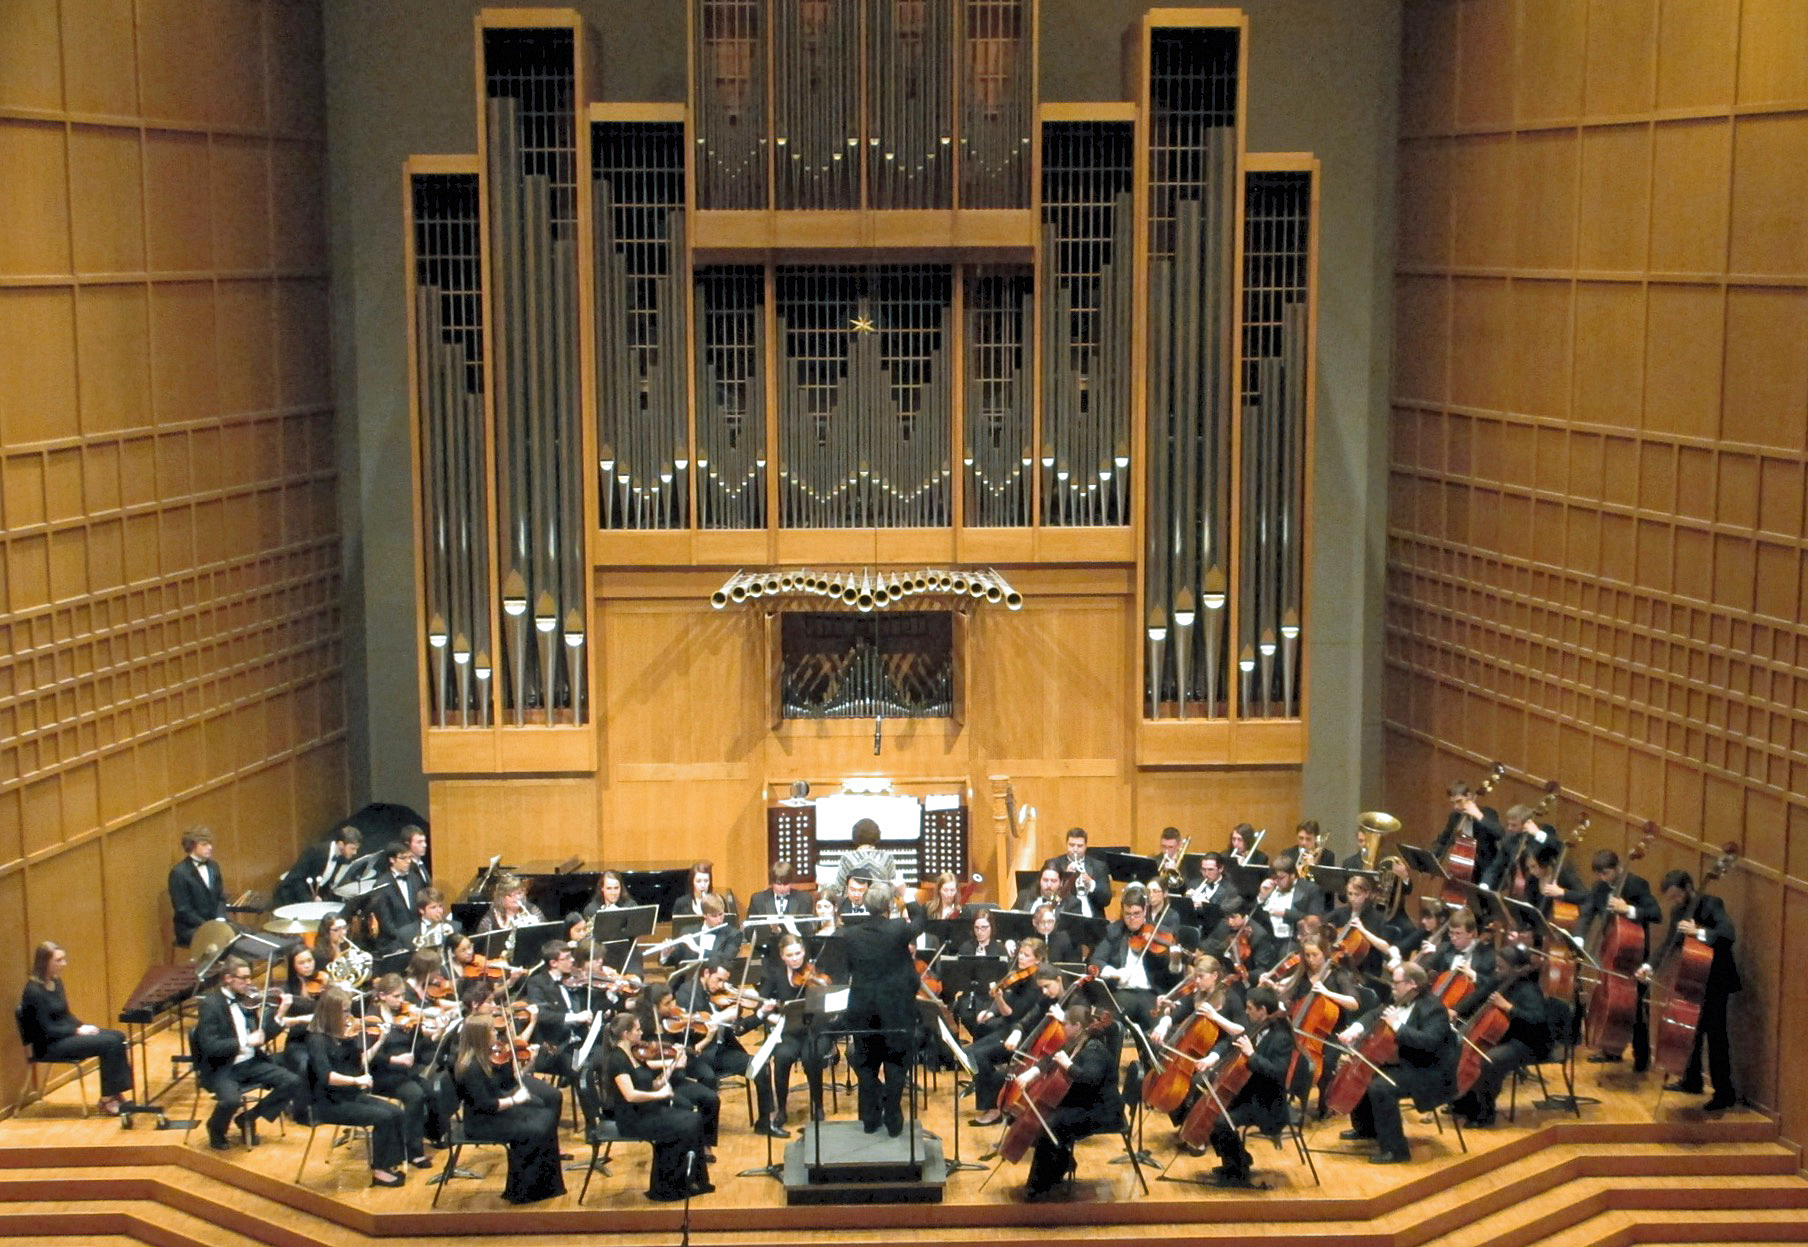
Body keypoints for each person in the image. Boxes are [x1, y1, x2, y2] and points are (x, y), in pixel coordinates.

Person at [1337, 962, 1457, 1164]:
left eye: (1395, 983)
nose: (1391, 987)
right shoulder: (1400, 999)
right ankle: (1367, 1128)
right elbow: (1375, 1014)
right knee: (1364, 1069)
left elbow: (1428, 1043)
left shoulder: (1434, 1009)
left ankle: (1396, 1150)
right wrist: (1355, 1029)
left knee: (1381, 1087)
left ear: (1411, 984)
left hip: (1427, 1070)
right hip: (1404, 1061)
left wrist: (1397, 1026)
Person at [1639, 869, 1739, 1111]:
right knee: (1690, 1030)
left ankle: (1724, 1093)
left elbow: (1728, 934)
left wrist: (1699, 933)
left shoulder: (1711, 904)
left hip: (1716, 981)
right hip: (1692, 978)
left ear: (1688, 888)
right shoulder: (1678, 912)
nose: (1674, 902)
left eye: (1676, 896)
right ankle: (1691, 1080)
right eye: (1670, 898)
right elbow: (1669, 943)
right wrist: (1649, 966)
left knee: (1715, 1037)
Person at [303, 986, 412, 1186]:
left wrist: (380, 1040)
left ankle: (389, 1164)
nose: (349, 1015)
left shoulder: (345, 1035)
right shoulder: (316, 1040)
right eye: (344, 1011)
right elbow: (327, 1076)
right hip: (328, 1103)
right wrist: (356, 1081)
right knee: (385, 1117)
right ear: (331, 1013)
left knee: (396, 1112)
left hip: (349, 1096)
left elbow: (361, 1062)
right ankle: (379, 1171)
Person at [452, 1013, 566, 1204]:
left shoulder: (487, 1057)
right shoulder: (470, 1068)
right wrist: (515, 1100)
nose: (496, 1032)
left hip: (495, 1113)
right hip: (481, 1123)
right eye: (492, 1030)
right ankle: (523, 1192)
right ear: (481, 1036)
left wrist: (528, 1062)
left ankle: (546, 1186)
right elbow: (485, 1105)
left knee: (545, 1116)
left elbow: (507, 1082)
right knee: (535, 1129)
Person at [191, 956, 302, 1149]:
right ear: (228, 978)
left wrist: (280, 1014)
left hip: (250, 1062)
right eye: (243, 978)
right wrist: (244, 1041)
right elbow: (210, 1046)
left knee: (292, 1081)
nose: (249, 982)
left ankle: (248, 1118)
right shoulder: (211, 1004)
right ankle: (216, 1129)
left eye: (249, 977)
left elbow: (262, 1037)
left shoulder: (247, 1000)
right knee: (230, 1101)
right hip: (223, 1067)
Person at [842, 882, 925, 1135]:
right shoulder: (898, 928)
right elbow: (921, 921)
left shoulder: (850, 934)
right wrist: (906, 894)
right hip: (895, 1010)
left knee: (866, 1064)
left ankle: (869, 1120)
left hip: (862, 1009)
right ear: (889, 906)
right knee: (895, 1063)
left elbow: (848, 968)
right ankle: (893, 1117)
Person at [603, 1012, 712, 1201]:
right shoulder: (617, 1059)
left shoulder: (635, 1054)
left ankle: (690, 1180)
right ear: (626, 1034)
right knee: (686, 1124)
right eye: (638, 1029)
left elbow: (651, 1084)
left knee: (694, 1119)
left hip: (647, 1111)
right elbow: (630, 1095)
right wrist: (659, 1095)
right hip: (633, 1119)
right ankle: (667, 1188)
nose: (642, 1032)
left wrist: (672, 1066)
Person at [1020, 1002, 1123, 1201]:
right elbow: (1052, 1057)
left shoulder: (1095, 1050)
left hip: (1101, 1110)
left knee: (1052, 1124)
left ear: (1077, 1026)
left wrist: (1068, 1066)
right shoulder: (1077, 1041)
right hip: (1083, 1101)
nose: (1063, 1027)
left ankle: (1041, 1186)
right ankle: (1057, 1167)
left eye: (1066, 1024)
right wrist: (1034, 1071)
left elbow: (1089, 1080)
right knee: (1045, 1119)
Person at [19, 941, 134, 1115]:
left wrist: (81, 1026)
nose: (63, 964)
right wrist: (76, 1031)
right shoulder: (33, 991)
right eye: (59, 960)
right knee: (109, 1044)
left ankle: (114, 1093)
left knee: (118, 1036)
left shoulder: (56, 983)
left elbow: (65, 1014)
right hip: (49, 1045)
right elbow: (45, 1029)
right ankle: (107, 1100)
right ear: (45, 962)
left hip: (65, 1036)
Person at [1200, 984, 1294, 1186]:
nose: (1246, 1011)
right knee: (1210, 1110)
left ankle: (1239, 1171)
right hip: (1248, 1093)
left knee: (1221, 1122)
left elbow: (1277, 1073)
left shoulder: (1281, 1037)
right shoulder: (1256, 1025)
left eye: (1250, 1008)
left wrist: (1252, 1055)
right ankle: (1235, 1161)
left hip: (1267, 1103)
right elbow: (1230, 1042)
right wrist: (1212, 1058)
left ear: (1262, 1011)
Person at [1449, 943, 1549, 1127]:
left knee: (1489, 1060)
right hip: (1505, 1036)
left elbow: (1538, 1021)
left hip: (1528, 1042)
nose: (1496, 970)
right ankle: (1464, 1102)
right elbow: (1479, 995)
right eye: (1496, 966)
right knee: (1459, 1046)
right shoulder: (1500, 980)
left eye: (1501, 967)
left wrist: (1509, 1008)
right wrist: (1455, 1010)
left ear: (1517, 969)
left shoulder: (1529, 990)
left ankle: (1486, 1113)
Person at [1580, 848, 1660, 1071]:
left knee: (1637, 1007)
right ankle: (1611, 1049)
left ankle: (1641, 1057)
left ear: (1617, 868)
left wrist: (1629, 909)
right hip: (1611, 951)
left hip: (1633, 955)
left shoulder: (1636, 885)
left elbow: (1656, 913)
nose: (1603, 879)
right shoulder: (1600, 888)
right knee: (1610, 1002)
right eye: (1600, 874)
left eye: (1606, 873)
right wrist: (1579, 936)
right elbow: (1588, 912)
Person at [1088, 884, 1179, 1032]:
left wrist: (1175, 959)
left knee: (1160, 1030)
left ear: (1145, 911)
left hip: (1150, 994)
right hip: (1122, 993)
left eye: (1137, 914)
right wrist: (1115, 973)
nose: (1132, 919)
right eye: (1127, 914)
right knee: (1104, 1025)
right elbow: (1096, 961)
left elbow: (1173, 974)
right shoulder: (1114, 931)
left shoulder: (1161, 933)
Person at [274, 825, 364, 906]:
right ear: (340, 844)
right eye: (352, 848)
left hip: (313, 897)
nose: (355, 852)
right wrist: (309, 900)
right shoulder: (314, 851)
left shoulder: (342, 857)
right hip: (291, 897)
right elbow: (296, 880)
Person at [1433, 782, 1503, 886]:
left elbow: (1500, 833)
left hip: (1485, 873)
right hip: (1461, 871)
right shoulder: (1455, 817)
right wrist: (1431, 856)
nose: (1456, 807)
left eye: (1459, 801)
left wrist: (1478, 816)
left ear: (1469, 796)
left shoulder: (1487, 813)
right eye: (1453, 803)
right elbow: (1444, 840)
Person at [168, 827, 228, 947]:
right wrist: (207, 926)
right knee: (225, 943)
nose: (210, 847)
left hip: (215, 923)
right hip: (191, 928)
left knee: (244, 935)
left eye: (210, 843)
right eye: (204, 844)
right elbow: (183, 909)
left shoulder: (214, 866)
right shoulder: (179, 873)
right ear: (192, 846)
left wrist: (220, 917)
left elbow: (221, 897)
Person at [1041, 828, 1112, 918]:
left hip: (1092, 919)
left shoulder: (1099, 866)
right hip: (1062, 918)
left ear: (1086, 846)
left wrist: (1091, 884)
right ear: (1066, 844)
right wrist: (1065, 878)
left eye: (1079, 846)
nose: (1075, 849)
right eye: (1071, 845)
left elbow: (1106, 901)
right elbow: (1046, 895)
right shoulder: (1053, 863)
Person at [744, 861, 807, 960]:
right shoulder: (758, 899)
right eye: (778, 884)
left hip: (795, 955)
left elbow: (808, 931)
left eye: (786, 884)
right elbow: (749, 931)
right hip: (767, 954)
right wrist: (770, 928)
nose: (782, 888)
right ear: (772, 882)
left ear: (791, 882)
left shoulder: (804, 899)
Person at [835, 819, 903, 891]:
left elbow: (839, 888)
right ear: (877, 834)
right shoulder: (887, 857)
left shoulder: (847, 858)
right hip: (881, 901)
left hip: (855, 901)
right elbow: (892, 887)